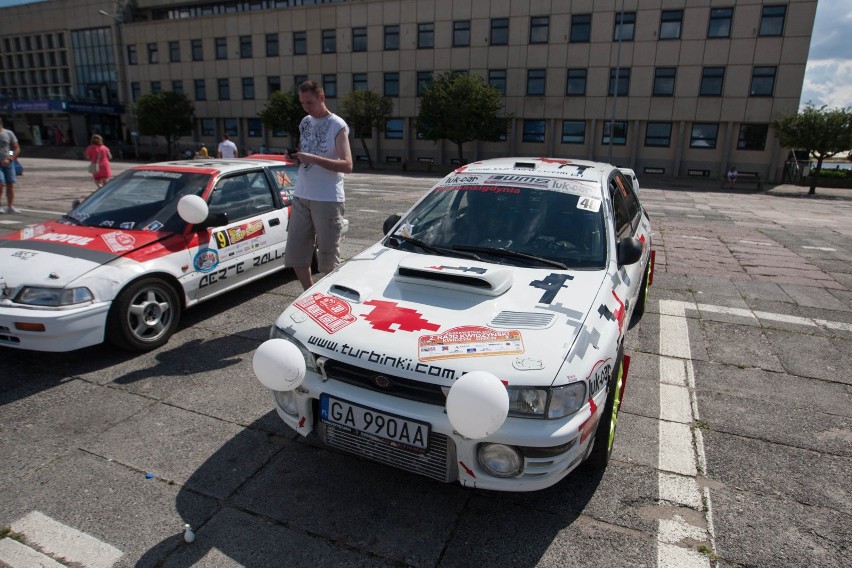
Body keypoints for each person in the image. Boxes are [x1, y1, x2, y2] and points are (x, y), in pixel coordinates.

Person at [284, 80, 353, 290]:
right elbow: (307, 157)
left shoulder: (337, 125)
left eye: (310, 102)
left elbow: (347, 165)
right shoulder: (305, 121)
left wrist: (312, 158)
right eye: (302, 103)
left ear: (321, 98)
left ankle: (329, 298)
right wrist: (295, 158)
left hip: (327, 198)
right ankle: (310, 294)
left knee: (328, 259)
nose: (306, 107)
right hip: (302, 195)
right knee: (296, 255)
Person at [0, 118, 22, 213]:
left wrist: (9, 158)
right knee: (0, 184)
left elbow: (15, 148)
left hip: (8, 162)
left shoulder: (8, 133)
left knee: (10, 184)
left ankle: (10, 206)